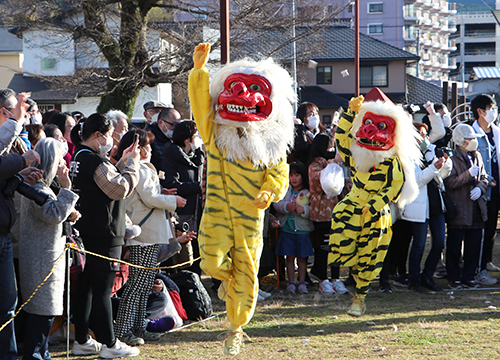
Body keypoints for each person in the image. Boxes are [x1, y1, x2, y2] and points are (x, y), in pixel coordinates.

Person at [69, 113, 141, 358]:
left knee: (88, 287)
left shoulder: (80, 156)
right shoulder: (93, 160)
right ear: (98, 135)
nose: (111, 140)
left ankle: (82, 339)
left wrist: (122, 162)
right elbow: (118, 188)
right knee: (103, 289)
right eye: (109, 135)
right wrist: (132, 165)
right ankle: (110, 344)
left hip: (89, 231)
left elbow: (104, 182)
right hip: (104, 232)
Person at [113, 129, 187, 345]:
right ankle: (124, 331)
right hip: (142, 234)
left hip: (147, 233)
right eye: (144, 146)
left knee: (144, 285)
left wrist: (167, 197)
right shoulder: (141, 169)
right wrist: (174, 201)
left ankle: (138, 328)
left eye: (148, 145)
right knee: (138, 285)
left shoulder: (142, 168)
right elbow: (150, 197)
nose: (148, 150)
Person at [18, 137, 79, 360]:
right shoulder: (35, 187)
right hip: (41, 260)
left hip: (44, 258)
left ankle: (42, 353)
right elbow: (52, 214)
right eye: (61, 160)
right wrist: (67, 187)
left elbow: (53, 212)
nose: (64, 165)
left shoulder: (39, 185)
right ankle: (36, 355)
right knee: (40, 313)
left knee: (46, 312)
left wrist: (68, 213)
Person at [0, 88, 43, 360]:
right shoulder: (8, 131)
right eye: (14, 110)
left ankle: (8, 355)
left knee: (8, 301)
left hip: (3, 232)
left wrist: (19, 174)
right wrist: (22, 160)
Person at [403, 123, 452, 293]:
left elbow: (446, 173)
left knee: (439, 242)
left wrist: (445, 161)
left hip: (436, 203)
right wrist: (433, 167)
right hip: (418, 204)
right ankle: (414, 279)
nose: (424, 138)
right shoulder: (407, 156)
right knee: (419, 244)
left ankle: (427, 275)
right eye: (421, 135)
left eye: (425, 134)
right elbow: (416, 180)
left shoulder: (432, 150)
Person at [444, 124, 488, 289]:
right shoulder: (452, 158)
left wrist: (480, 187)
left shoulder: (477, 155)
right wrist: (467, 175)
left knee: (474, 245)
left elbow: (484, 177)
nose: (474, 141)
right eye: (471, 138)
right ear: (461, 141)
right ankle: (454, 277)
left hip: (476, 207)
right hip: (460, 208)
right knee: (455, 246)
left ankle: (469, 276)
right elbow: (450, 183)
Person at [161, 120, 203, 274]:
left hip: (198, 211)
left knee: (197, 251)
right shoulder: (170, 157)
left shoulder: (197, 155)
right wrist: (199, 187)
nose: (198, 139)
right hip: (182, 212)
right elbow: (172, 185)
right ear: (187, 139)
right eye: (196, 136)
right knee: (184, 254)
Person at [307, 133, 348, 295]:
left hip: (337, 212)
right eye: (329, 147)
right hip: (321, 213)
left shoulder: (332, 164)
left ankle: (335, 279)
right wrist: (333, 162)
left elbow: (340, 183)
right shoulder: (315, 166)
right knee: (324, 247)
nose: (331, 150)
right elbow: (323, 181)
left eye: (333, 147)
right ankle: (323, 279)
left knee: (336, 246)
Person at [471, 94, 500, 285]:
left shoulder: (496, 131)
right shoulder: (470, 133)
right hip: (481, 190)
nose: (494, 112)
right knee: (480, 231)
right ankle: (477, 269)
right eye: (490, 108)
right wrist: (485, 181)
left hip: (497, 189)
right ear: (480, 111)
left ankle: (487, 261)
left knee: (491, 230)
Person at [273, 162, 314, 294]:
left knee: (302, 258)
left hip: (302, 230)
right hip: (287, 229)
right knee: (289, 257)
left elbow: (314, 208)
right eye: (291, 175)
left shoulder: (308, 192)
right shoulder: (285, 190)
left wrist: (304, 210)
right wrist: (286, 207)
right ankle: (291, 282)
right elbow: (276, 204)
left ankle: (302, 282)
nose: (294, 178)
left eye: (297, 175)